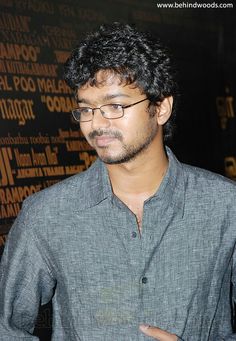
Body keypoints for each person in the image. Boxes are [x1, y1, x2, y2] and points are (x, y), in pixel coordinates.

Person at [0, 22, 236, 341]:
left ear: (161, 107)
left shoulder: (225, 206)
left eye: (115, 106)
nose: (96, 124)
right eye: (85, 109)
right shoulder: (46, 214)